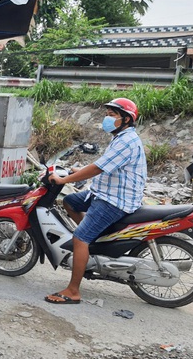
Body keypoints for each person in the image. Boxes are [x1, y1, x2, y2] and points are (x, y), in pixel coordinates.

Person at [45, 98, 146, 305]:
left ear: (126, 119)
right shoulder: (120, 137)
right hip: (103, 193)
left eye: (112, 115)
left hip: (115, 200)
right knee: (71, 202)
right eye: (107, 114)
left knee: (80, 238)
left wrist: (65, 179)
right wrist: (77, 170)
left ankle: (73, 291)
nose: (107, 118)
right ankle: (95, 240)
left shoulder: (126, 141)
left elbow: (98, 168)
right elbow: (104, 163)